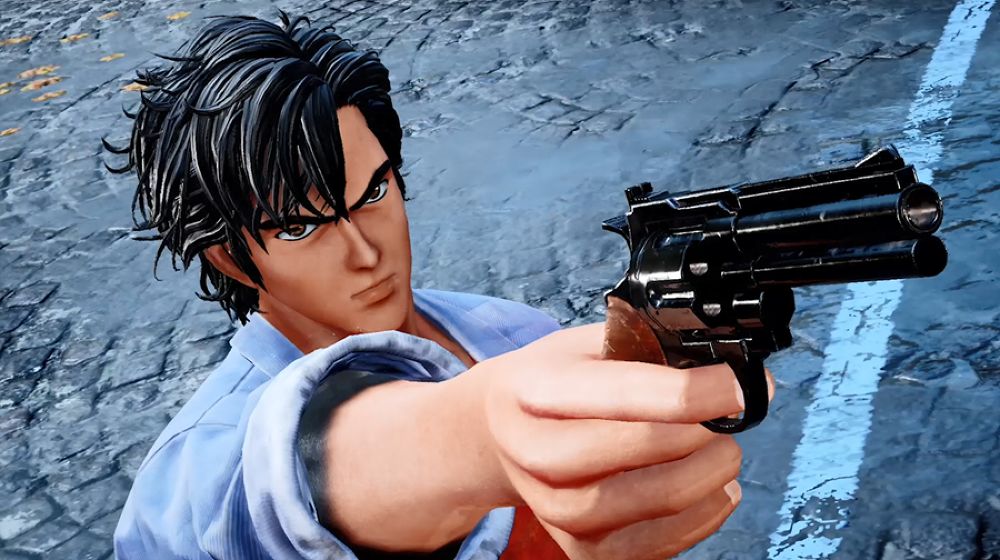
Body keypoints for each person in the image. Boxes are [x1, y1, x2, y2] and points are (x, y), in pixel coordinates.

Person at [106, 11, 762, 560]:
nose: (365, 253)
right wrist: (471, 439)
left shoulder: (514, 333)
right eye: (301, 228)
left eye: (373, 192)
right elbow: (266, 495)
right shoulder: (193, 475)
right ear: (229, 258)